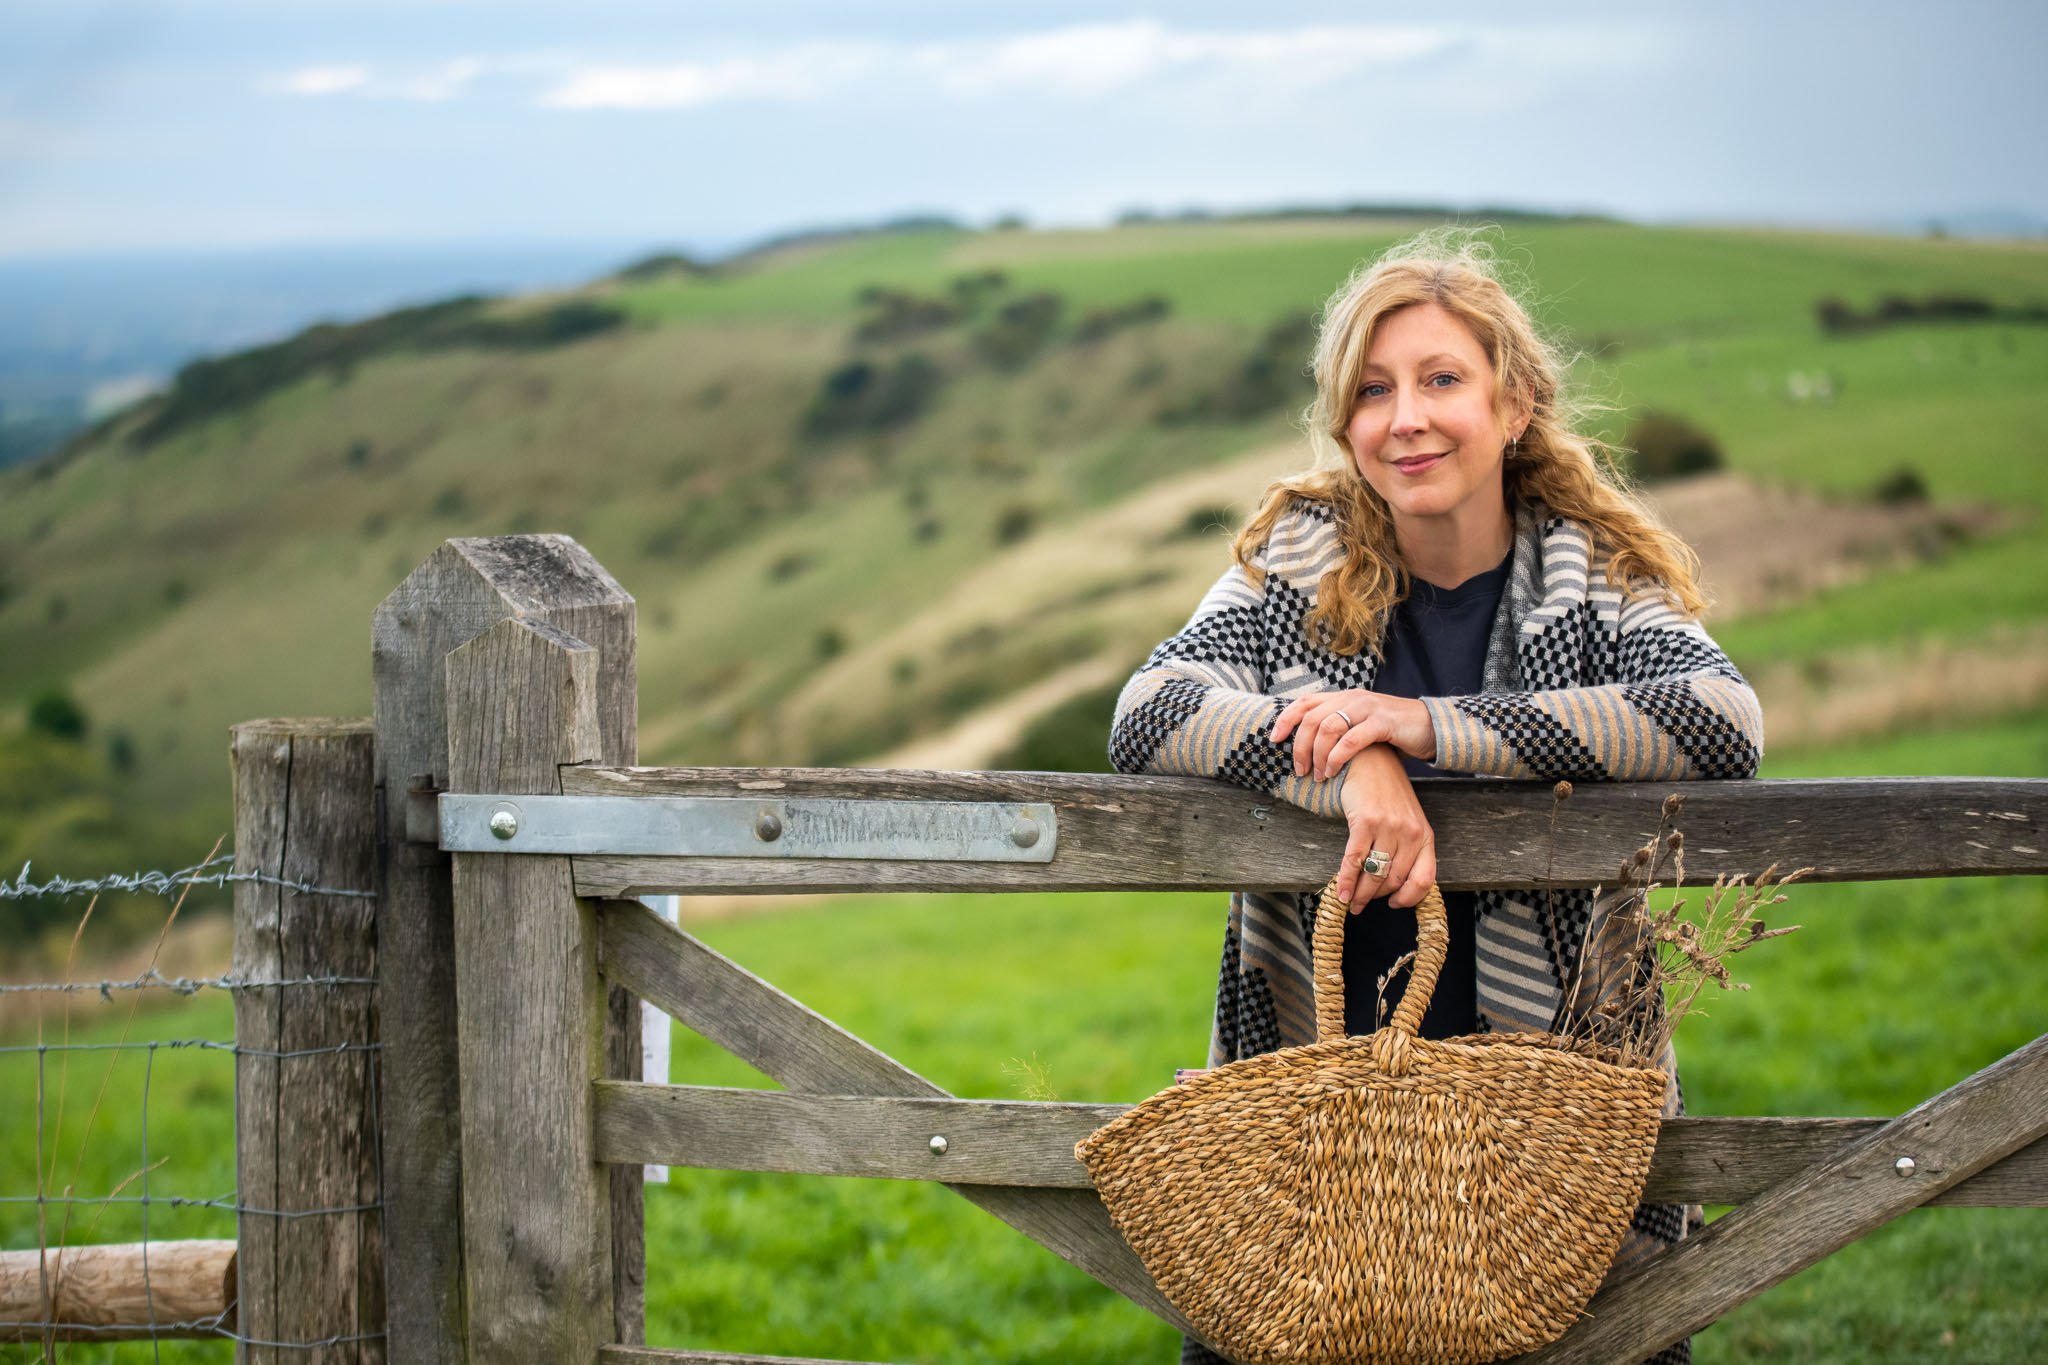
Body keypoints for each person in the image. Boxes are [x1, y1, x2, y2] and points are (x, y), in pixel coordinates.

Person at [1108, 230, 1763, 1365]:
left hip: (1554, 1106)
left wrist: (1422, 728)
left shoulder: (1586, 570)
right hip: (1313, 1082)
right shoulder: (1298, 559)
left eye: (1440, 380)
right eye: (1371, 391)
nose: (1403, 417)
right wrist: (1348, 767)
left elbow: (1718, 717)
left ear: (1513, 407)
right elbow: (1149, 708)